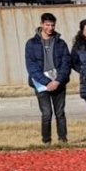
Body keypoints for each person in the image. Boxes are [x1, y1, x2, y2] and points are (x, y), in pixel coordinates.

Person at [24, 12, 72, 145]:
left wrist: (57, 81)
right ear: (41, 24)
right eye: (47, 25)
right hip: (41, 83)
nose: (50, 28)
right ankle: (46, 141)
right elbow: (31, 66)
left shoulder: (61, 43)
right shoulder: (31, 44)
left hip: (58, 82)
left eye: (52, 25)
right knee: (46, 113)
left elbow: (66, 64)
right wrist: (46, 82)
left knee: (60, 113)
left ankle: (63, 139)